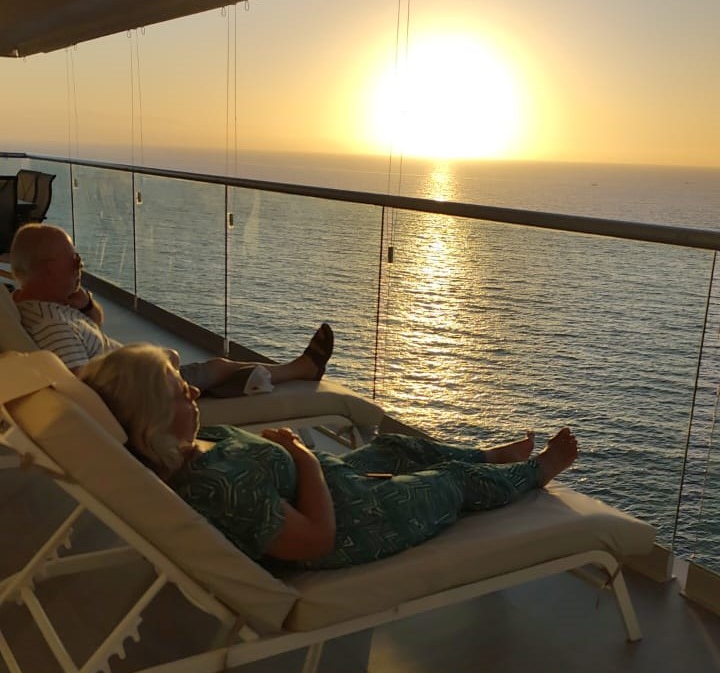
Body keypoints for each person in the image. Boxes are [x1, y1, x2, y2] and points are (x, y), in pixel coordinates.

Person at [80, 343, 580, 571]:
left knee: (395, 446)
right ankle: (535, 473)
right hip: (358, 522)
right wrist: (304, 457)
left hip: (337, 482)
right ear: (148, 419)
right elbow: (316, 539)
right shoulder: (218, 486)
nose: (192, 389)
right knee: (450, 481)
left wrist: (298, 460)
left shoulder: (189, 449)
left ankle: (487, 456)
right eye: (176, 391)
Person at [9, 223, 333, 396]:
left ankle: (297, 368)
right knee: (217, 371)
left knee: (218, 367)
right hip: (145, 391)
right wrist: (154, 365)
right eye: (75, 259)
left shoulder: (39, 305)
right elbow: (83, 386)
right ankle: (301, 369)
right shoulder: (54, 326)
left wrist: (86, 304)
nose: (81, 264)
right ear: (49, 269)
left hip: (139, 377)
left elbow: (92, 325)